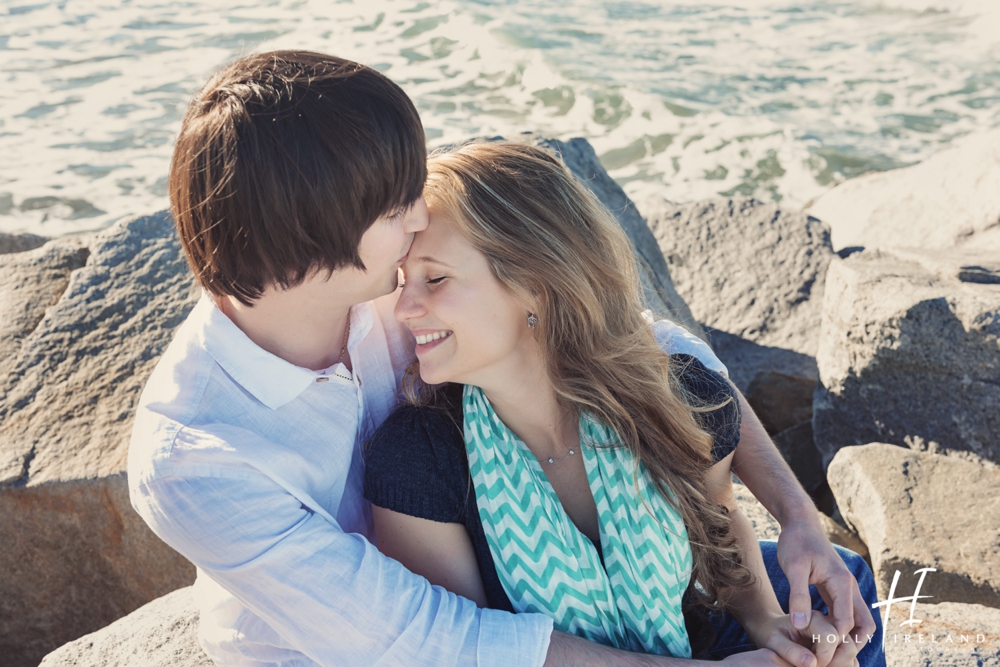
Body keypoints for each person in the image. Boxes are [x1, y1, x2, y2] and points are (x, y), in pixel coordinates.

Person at [127, 49, 877, 667]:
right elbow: (430, 636)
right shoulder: (195, 455)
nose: (420, 217)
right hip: (379, 646)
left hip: (538, 570)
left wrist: (796, 510)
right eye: (395, 209)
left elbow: (637, 342)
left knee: (845, 601)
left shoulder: (380, 280)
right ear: (310, 239)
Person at [363, 141, 885, 667]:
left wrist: (773, 630)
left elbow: (719, 525)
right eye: (405, 281)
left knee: (839, 608)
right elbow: (466, 651)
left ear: (537, 284)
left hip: (689, 636)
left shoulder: (678, 398)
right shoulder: (418, 461)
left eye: (435, 278)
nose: (403, 309)